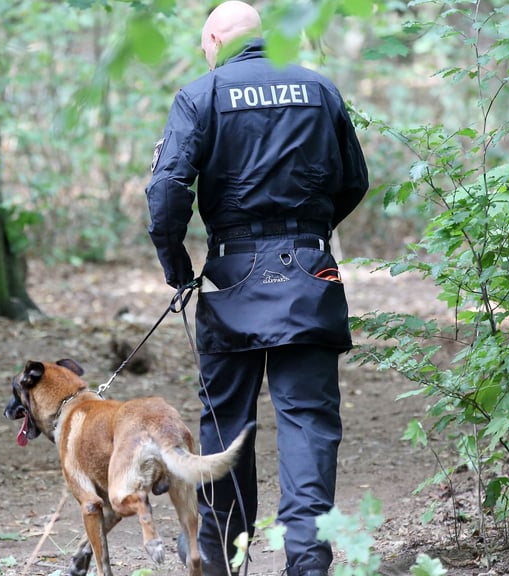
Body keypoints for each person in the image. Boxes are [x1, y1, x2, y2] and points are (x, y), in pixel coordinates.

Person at [144, 2, 369, 575]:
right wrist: (308, 234)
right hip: (309, 276)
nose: (206, 55)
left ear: (216, 37)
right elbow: (354, 181)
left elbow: (167, 194)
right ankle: (309, 565)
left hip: (228, 276)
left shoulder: (203, 94)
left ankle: (221, 561)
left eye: (205, 46)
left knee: (226, 425)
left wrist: (177, 267)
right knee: (309, 424)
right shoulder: (321, 90)